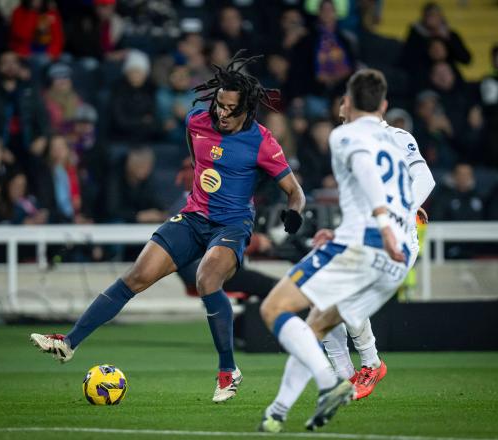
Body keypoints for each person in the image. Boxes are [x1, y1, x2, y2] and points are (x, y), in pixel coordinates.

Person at [30, 52, 305, 403]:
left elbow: (295, 192)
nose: (220, 112)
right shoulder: (196, 121)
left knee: (207, 278)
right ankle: (69, 343)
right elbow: (199, 160)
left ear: (247, 108)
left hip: (232, 225)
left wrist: (293, 213)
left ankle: (227, 371)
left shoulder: (263, 141)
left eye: (229, 108)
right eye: (218, 104)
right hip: (193, 218)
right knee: (136, 277)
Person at [258, 69, 433, 432]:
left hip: (373, 241)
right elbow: (417, 180)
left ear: (349, 103)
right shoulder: (398, 138)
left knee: (278, 309)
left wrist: (385, 222)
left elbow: (369, 177)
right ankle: (286, 407)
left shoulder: (345, 136)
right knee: (320, 318)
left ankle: (340, 377)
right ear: (384, 104)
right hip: (396, 247)